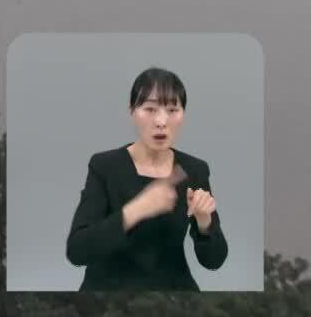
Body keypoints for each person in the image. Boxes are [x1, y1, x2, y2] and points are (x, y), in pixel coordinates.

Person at [64, 66, 229, 290]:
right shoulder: (105, 166)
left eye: (172, 110)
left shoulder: (194, 170)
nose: (161, 121)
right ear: (132, 110)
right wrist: (138, 209)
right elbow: (77, 250)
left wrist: (204, 222)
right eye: (150, 109)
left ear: (183, 115)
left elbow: (214, 261)